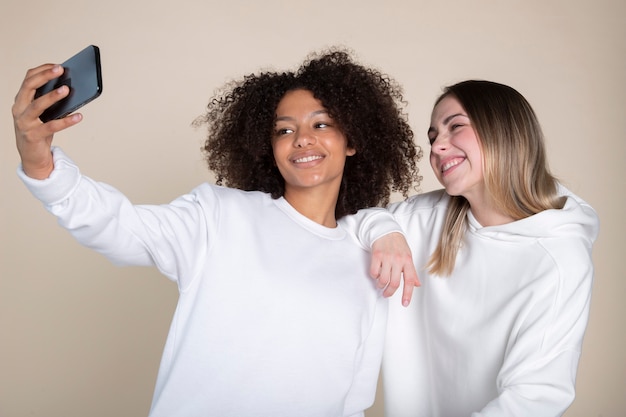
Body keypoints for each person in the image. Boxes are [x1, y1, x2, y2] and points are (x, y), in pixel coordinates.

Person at [12, 49, 422, 417]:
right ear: (269, 146)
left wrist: (380, 226)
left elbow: (353, 398)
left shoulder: (373, 257)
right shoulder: (221, 216)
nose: (302, 140)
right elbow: (122, 229)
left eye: (323, 123)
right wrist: (39, 161)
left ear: (353, 141)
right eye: (283, 130)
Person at [367, 80, 599, 416]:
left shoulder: (558, 258)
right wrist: (382, 228)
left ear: (503, 132)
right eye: (432, 137)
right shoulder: (427, 218)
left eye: (455, 127)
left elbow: (533, 397)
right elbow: (347, 220)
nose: (436, 147)